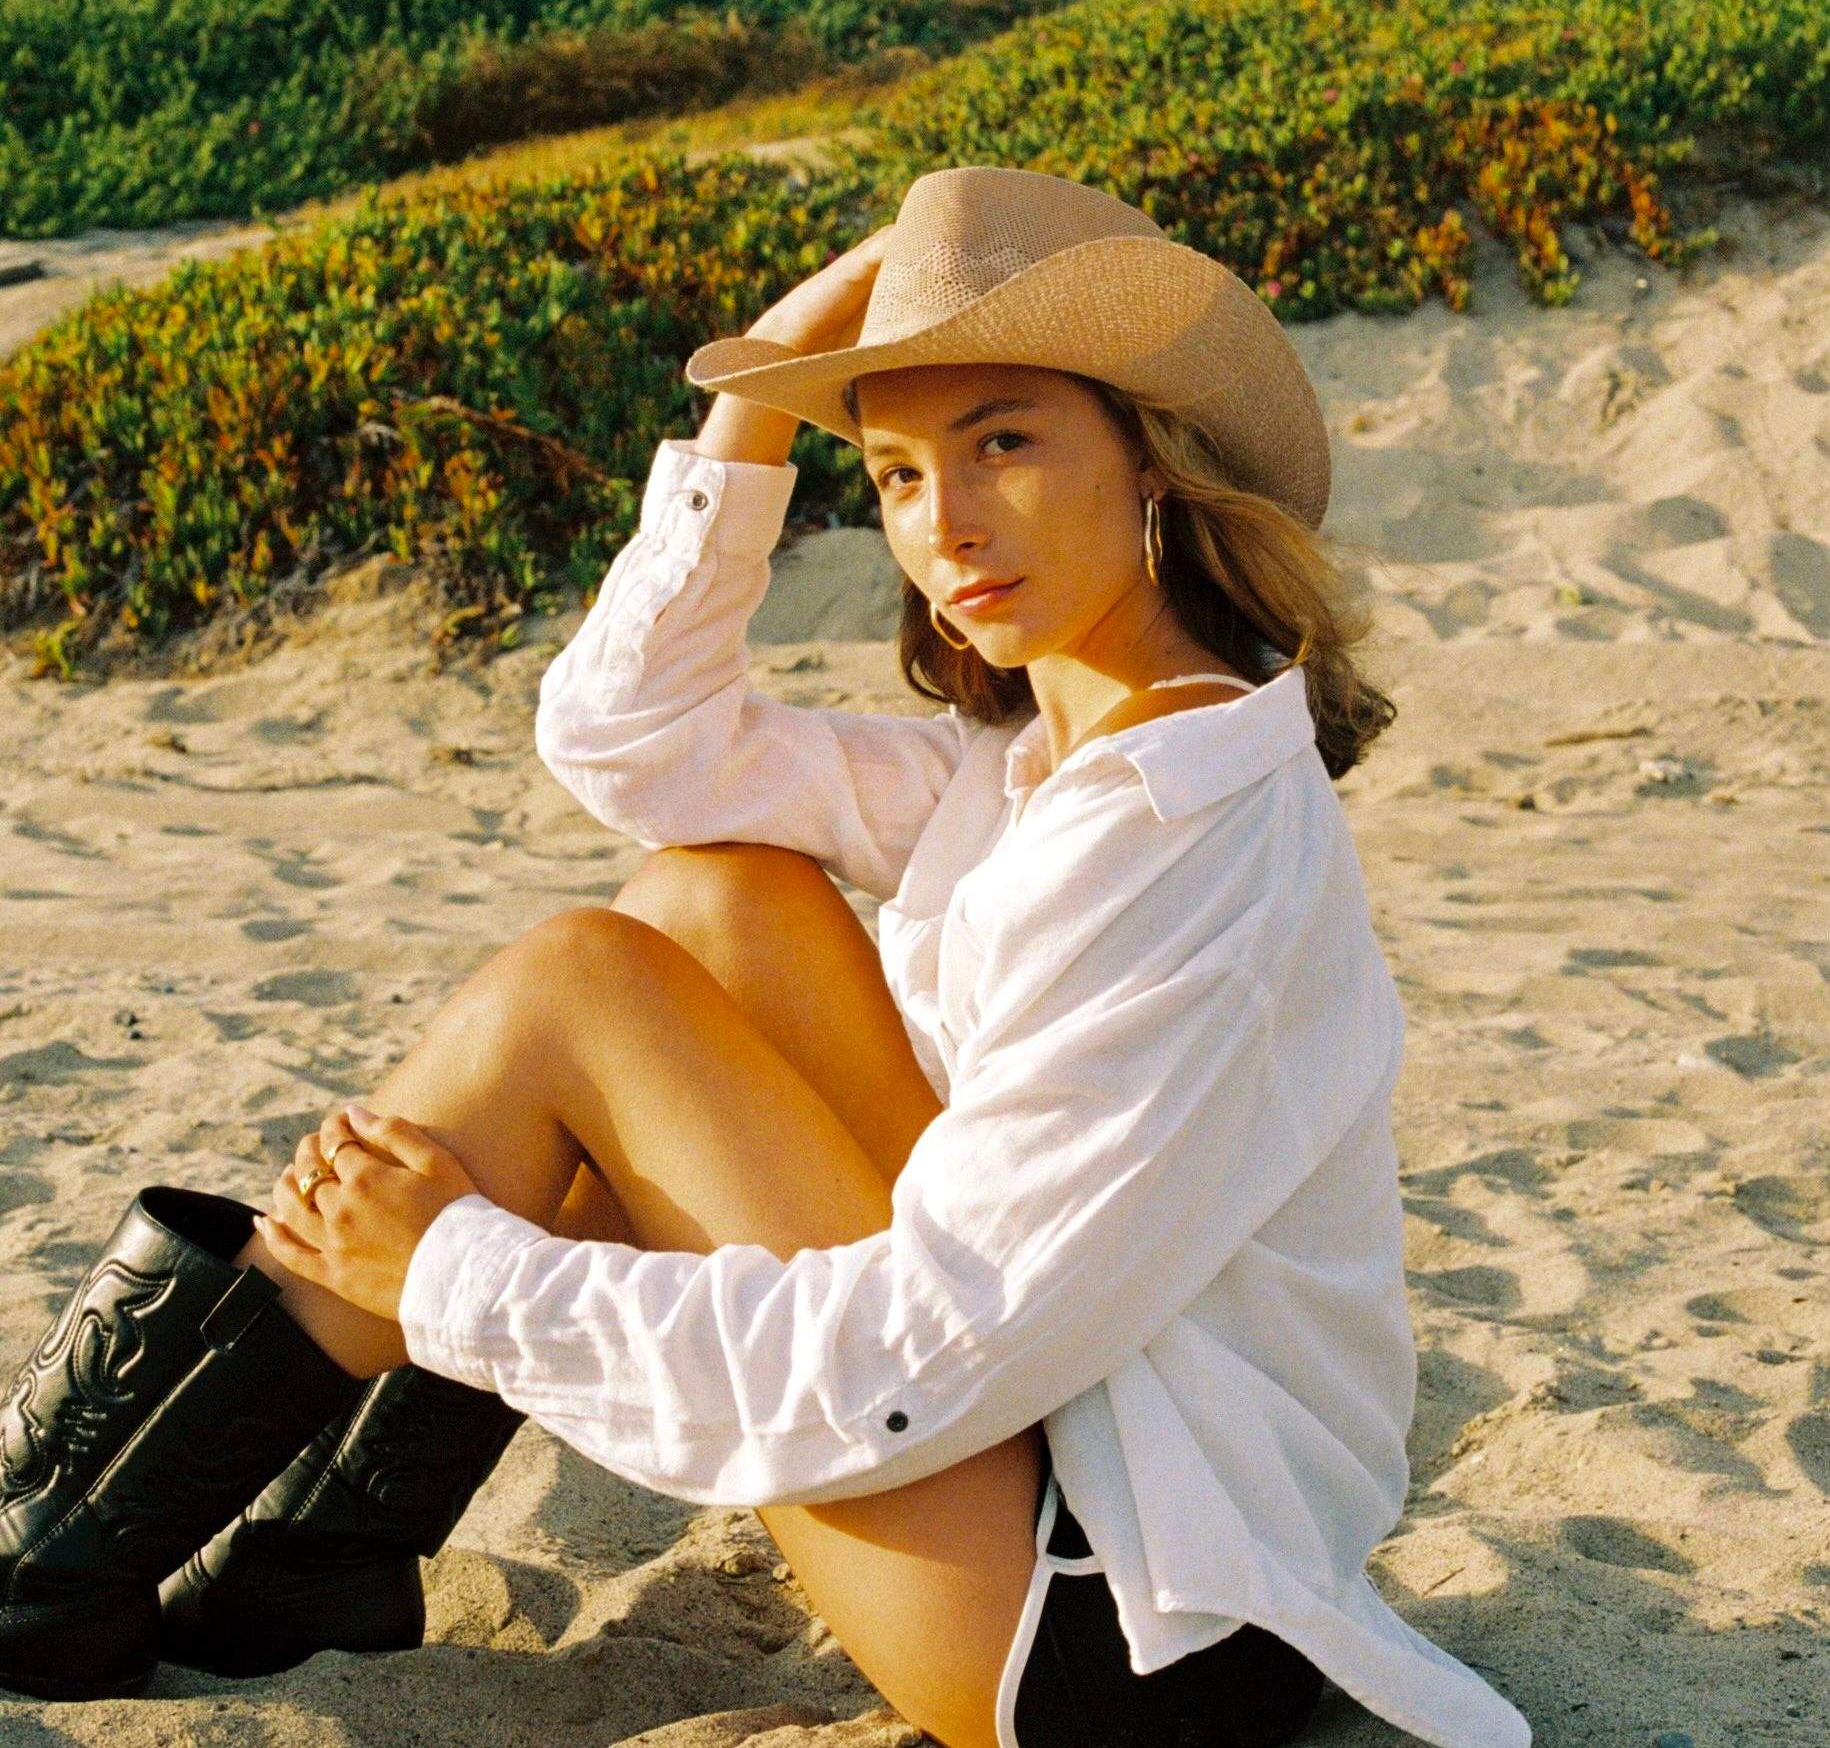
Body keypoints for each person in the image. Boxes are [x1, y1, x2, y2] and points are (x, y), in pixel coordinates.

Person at [0, 165, 1533, 1748]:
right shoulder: (1032, 768)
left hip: (1124, 1632)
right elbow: (640, 746)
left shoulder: (1175, 829)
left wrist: (451, 1274)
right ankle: (304, 1556)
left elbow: (921, 1351)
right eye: (893, 475)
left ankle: (50, 1551)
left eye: (1003, 443)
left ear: (1150, 456)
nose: (946, 525)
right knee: (709, 899)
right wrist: (762, 382)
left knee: (577, 985)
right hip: (1059, 1463)